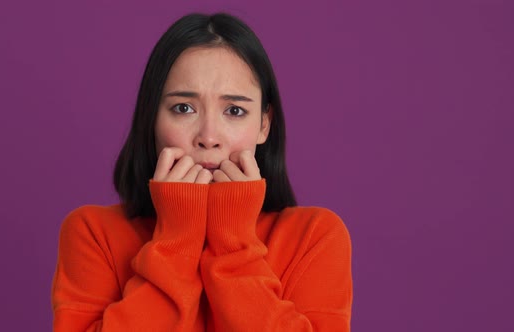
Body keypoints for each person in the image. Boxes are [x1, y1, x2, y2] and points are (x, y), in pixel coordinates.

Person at [51, 12, 352, 331]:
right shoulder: (92, 233)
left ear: (264, 124)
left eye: (234, 111)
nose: (208, 137)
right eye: (184, 108)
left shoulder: (315, 236)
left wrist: (234, 242)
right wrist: (175, 242)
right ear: (152, 117)